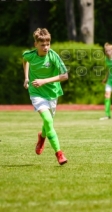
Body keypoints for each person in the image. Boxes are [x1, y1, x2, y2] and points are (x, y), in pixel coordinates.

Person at [22, 28, 68, 165]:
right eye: (42, 45)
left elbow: (65, 76)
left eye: (48, 44)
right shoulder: (29, 55)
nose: (46, 47)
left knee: (48, 123)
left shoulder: (53, 56)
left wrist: (44, 81)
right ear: (35, 44)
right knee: (48, 121)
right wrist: (26, 78)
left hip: (52, 94)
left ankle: (42, 137)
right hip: (36, 93)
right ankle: (59, 154)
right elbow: (25, 60)